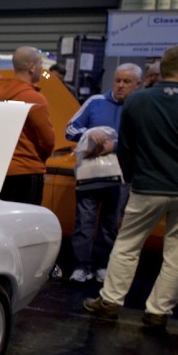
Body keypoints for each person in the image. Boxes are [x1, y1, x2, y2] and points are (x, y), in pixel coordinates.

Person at [83, 44, 178, 328]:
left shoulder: (137, 101)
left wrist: (130, 179)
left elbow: (125, 148)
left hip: (146, 188)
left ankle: (110, 301)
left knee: (127, 245)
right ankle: (158, 312)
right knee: (177, 254)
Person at [64, 63, 143, 283]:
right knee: (84, 221)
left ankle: (102, 265)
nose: (120, 85)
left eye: (127, 82)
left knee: (111, 223)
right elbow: (69, 129)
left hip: (122, 176)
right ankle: (82, 266)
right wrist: (89, 132)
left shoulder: (141, 108)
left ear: (137, 85)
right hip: (90, 173)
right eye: (118, 80)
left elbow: (145, 139)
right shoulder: (95, 102)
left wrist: (113, 146)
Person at [0, 46, 55, 204]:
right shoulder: (34, 98)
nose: (42, 69)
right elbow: (49, 141)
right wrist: (40, 158)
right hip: (27, 170)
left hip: (3, 171)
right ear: (32, 67)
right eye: (40, 64)